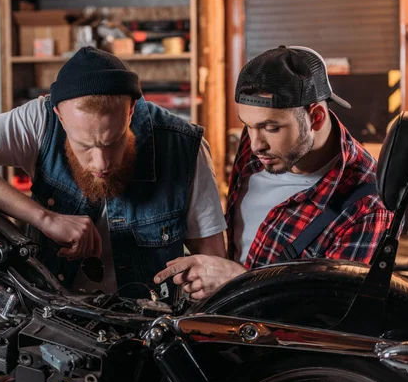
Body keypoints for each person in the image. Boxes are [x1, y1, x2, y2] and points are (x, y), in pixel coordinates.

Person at [0, 46, 227, 300]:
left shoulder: (183, 146)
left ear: (131, 110)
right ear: (58, 115)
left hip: (146, 333)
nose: (100, 163)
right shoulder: (39, 120)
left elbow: (215, 265)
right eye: (84, 146)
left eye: (113, 142)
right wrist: (45, 218)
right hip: (55, 324)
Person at [155, 45, 393, 299]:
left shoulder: (367, 206)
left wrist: (234, 281)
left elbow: (334, 314)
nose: (256, 144)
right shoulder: (260, 145)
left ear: (316, 117)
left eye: (270, 127)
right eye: (248, 126)